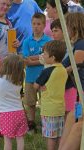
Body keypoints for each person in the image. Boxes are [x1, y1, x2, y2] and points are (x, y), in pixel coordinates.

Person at [34, 40, 68, 150]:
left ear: (52, 58)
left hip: (49, 110)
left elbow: (35, 86)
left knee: (50, 137)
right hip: (60, 108)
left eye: (45, 54)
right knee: (58, 135)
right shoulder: (63, 69)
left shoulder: (47, 71)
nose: (43, 55)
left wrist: (40, 86)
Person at [58, 12, 84, 150]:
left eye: (66, 26)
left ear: (73, 27)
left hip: (82, 92)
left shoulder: (81, 44)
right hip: (81, 93)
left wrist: (56, 72)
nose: (65, 30)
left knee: (79, 126)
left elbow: (76, 65)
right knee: (72, 117)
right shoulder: (77, 44)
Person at [0, 54, 28, 150]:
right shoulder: (18, 82)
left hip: (6, 114)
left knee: (7, 139)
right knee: (20, 138)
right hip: (19, 112)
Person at [22, 13, 52, 131]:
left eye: (39, 24)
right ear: (31, 25)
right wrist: (40, 58)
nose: (36, 26)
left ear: (44, 25)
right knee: (30, 103)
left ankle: (46, 124)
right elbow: (26, 60)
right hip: (30, 77)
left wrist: (34, 59)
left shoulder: (48, 41)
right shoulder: (27, 41)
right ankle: (31, 125)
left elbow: (48, 59)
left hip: (45, 78)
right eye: (34, 24)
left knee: (45, 102)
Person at [51, 19, 77, 119]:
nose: (53, 33)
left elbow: (71, 64)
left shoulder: (71, 46)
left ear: (64, 30)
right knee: (61, 110)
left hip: (70, 83)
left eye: (56, 30)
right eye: (52, 31)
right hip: (58, 84)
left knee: (70, 110)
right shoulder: (52, 46)